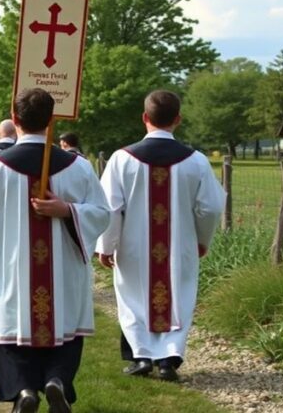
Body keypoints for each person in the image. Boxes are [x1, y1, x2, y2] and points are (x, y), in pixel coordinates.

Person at [0, 89, 110, 413]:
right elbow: (102, 214)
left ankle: (23, 390)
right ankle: (57, 380)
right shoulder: (78, 167)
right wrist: (68, 210)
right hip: (63, 270)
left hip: (12, 269)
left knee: (11, 331)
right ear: (52, 119)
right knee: (63, 327)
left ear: (15, 117)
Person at [95, 90, 225, 382]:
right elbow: (212, 206)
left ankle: (141, 356)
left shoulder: (121, 159)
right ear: (178, 119)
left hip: (134, 245)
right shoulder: (197, 161)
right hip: (180, 245)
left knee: (133, 297)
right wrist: (202, 239)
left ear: (144, 118)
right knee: (178, 297)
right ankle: (168, 359)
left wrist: (107, 244)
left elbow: (110, 208)